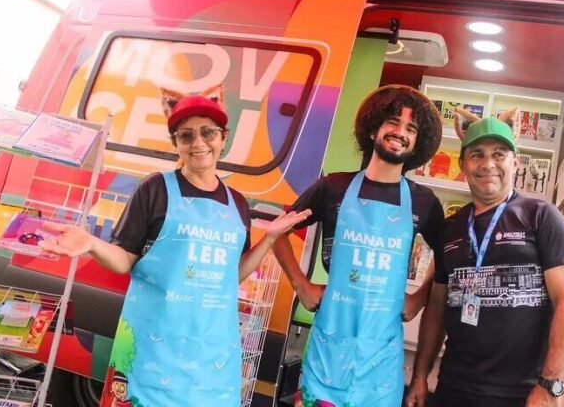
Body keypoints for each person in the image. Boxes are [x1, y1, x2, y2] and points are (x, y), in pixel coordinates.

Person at [39, 92, 310, 406]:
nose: (198, 143)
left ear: (223, 138)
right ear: (176, 143)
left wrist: (269, 239)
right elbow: (124, 260)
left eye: (208, 132)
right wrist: (92, 244)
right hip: (151, 352)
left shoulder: (237, 203)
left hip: (213, 358)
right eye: (186, 135)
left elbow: (230, 276)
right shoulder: (155, 189)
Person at [273, 85, 445, 407]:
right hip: (329, 349)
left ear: (416, 143)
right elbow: (277, 233)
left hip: (381, 360)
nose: (400, 133)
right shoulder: (334, 187)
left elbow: (446, 256)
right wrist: (301, 285)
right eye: (393, 122)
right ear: (373, 129)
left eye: (410, 129)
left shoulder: (424, 202)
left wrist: (419, 298)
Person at [406, 117, 564, 407]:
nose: (488, 164)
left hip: (522, 395)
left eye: (499, 154)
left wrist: (549, 386)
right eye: (477, 155)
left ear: (516, 162)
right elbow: (436, 307)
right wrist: (420, 375)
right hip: (453, 388)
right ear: (463, 166)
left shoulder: (542, 216)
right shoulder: (450, 228)